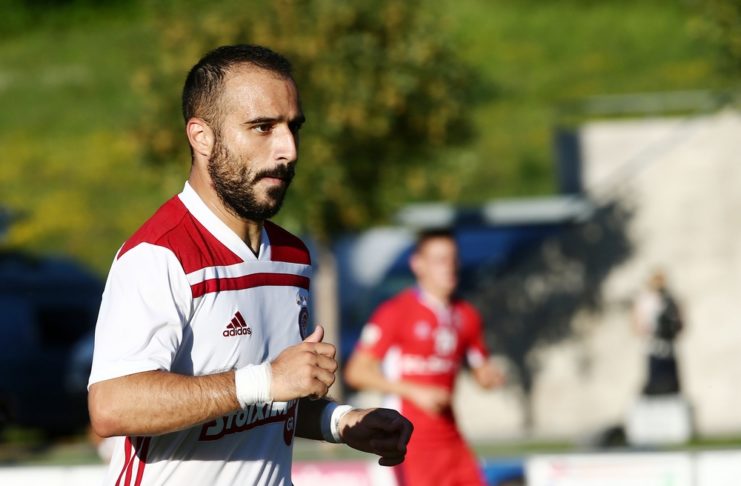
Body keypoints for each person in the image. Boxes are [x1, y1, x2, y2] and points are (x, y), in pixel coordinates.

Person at [87, 44, 412, 486]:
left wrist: (341, 421)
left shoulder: (292, 256)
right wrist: (265, 380)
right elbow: (112, 405)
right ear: (201, 136)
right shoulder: (160, 255)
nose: (288, 150)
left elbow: (267, 404)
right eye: (263, 127)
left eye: (293, 127)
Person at [344, 229, 504, 486]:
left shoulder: (466, 315)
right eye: (440, 260)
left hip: (452, 439)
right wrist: (414, 391)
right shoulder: (395, 311)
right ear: (418, 264)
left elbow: (481, 371)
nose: (449, 267)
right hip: (409, 440)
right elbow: (356, 372)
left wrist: (490, 377)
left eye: (453, 259)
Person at [632, 269, 684, 396]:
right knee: (655, 379)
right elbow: (638, 325)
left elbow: (680, 323)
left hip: (668, 347)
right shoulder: (645, 300)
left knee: (670, 382)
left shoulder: (670, 299)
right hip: (653, 347)